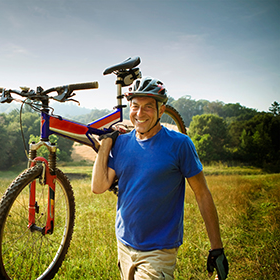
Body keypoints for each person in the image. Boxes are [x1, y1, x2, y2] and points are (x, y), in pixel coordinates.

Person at [91, 77, 228, 280]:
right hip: (124, 244)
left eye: (148, 107)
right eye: (135, 106)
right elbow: (98, 186)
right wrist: (106, 147)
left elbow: (202, 194)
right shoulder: (121, 143)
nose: (139, 113)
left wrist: (216, 247)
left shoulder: (180, 144)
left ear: (161, 110)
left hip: (159, 251)